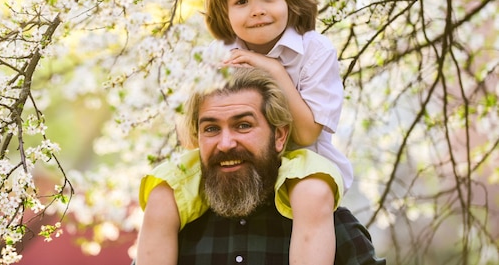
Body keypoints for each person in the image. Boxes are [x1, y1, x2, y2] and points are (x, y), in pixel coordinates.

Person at [137, 0, 353, 265]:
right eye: (241, 1)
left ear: (290, 1)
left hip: (299, 161)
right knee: (163, 191)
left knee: (311, 194)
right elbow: (193, 135)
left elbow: (307, 134)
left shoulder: (315, 50)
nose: (257, 9)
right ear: (225, 12)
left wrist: (275, 70)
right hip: (238, 157)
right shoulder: (216, 56)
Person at [136, 68, 385, 264]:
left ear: (279, 136)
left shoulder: (328, 223)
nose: (225, 144)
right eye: (211, 129)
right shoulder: (174, 227)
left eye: (243, 125)